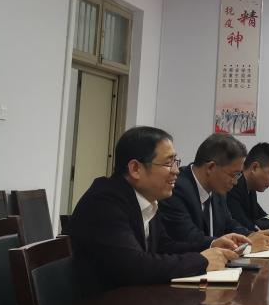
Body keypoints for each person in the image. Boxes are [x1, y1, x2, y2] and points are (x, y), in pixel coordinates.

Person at [66, 125, 246, 292]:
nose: (176, 171)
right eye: (168, 163)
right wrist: (201, 261)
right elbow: (134, 266)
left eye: (176, 162)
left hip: (128, 303)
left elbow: (163, 246)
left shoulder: (146, 200)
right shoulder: (105, 201)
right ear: (135, 169)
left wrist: (212, 245)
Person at [157, 132, 269, 251]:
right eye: (234, 175)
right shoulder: (176, 188)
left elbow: (229, 224)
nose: (235, 182)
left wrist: (251, 236)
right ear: (211, 167)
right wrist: (248, 246)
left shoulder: (216, 189)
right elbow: (188, 238)